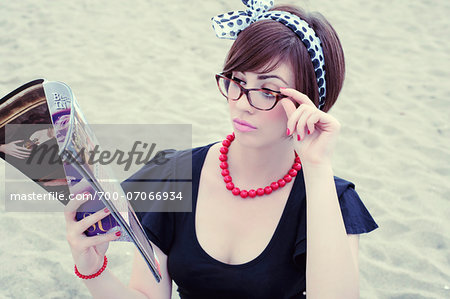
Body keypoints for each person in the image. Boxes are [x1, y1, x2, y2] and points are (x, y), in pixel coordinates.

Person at [64, 1, 378, 298]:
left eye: (268, 90)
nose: (241, 103)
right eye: (236, 81)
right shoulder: (177, 175)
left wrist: (317, 165)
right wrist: (93, 269)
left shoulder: (328, 198)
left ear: (307, 103)